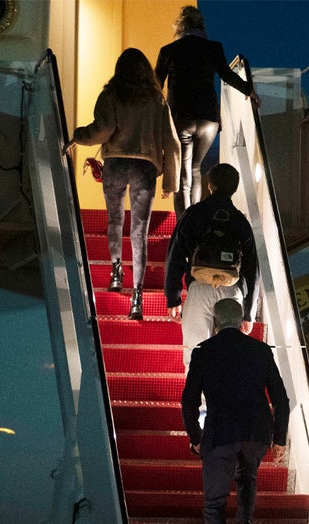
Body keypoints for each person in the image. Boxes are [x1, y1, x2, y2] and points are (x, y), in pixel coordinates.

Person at [68, 48, 181, 320]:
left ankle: (116, 271)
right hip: (144, 168)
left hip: (116, 164)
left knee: (115, 221)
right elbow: (172, 143)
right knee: (139, 231)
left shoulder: (111, 95)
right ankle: (137, 298)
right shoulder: (156, 100)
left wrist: (77, 136)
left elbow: (101, 131)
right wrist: (170, 180)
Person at [181, 298, 289, 524]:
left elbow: (188, 401)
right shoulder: (260, 350)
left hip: (220, 433)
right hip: (256, 433)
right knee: (247, 481)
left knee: (214, 501)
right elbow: (280, 398)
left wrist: (195, 437)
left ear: (215, 322)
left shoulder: (203, 352)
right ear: (241, 322)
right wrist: (279, 439)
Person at [155, 5, 261, 218]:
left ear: (180, 27)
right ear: (201, 26)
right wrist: (249, 91)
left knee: (182, 174)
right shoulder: (213, 48)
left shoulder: (168, 51)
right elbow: (227, 75)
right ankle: (195, 218)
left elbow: (155, 85)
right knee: (195, 168)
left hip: (180, 118)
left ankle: (185, 224)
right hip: (208, 119)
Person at [164, 163, 259, 364]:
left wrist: (173, 297)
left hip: (199, 288)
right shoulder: (240, 221)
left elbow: (175, 255)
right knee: (228, 357)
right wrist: (249, 312)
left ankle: (196, 396)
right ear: (235, 188)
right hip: (232, 291)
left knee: (196, 353)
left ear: (210, 185)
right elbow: (252, 269)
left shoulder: (194, 214)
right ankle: (222, 395)